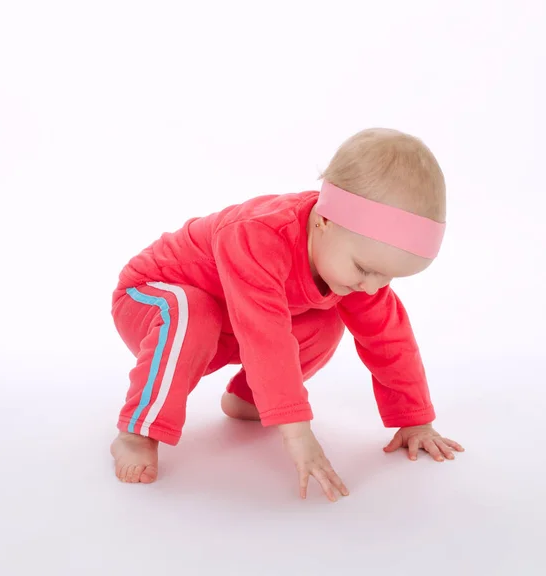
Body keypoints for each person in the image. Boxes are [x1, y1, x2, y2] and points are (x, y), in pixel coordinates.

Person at [109, 127, 465, 501]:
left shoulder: (356, 267)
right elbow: (266, 336)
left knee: (326, 321)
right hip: (153, 302)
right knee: (193, 312)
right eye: (364, 269)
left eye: (387, 276)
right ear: (324, 221)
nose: (374, 286)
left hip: (230, 324)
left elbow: (389, 339)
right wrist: (297, 431)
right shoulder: (257, 236)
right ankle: (137, 432)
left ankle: (251, 399)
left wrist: (415, 420)